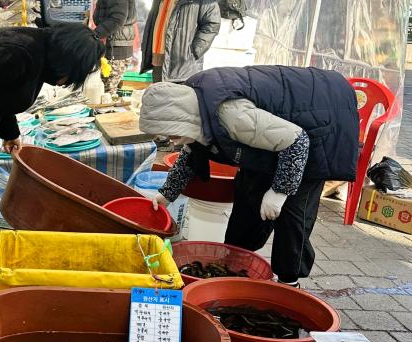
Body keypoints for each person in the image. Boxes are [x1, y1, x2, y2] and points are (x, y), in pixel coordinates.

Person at [139, 65, 359, 287]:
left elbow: (297, 141)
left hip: (320, 121)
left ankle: (289, 283)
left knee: (292, 216)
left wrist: (280, 191)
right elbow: (192, 150)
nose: (170, 139)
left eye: (170, 131)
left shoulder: (231, 114)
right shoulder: (192, 106)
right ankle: (235, 265)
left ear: (180, 119)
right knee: (247, 199)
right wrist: (166, 195)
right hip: (275, 135)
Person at [0, 23, 105, 292]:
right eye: (71, 75)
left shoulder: (36, 52)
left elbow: (1, 97)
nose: (66, 82)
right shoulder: (18, 54)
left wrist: (10, 132)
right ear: (65, 60)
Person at [90, 0, 136, 97]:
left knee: (106, 92)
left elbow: (117, 19)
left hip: (117, 50)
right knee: (106, 90)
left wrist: (95, 34)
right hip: (114, 46)